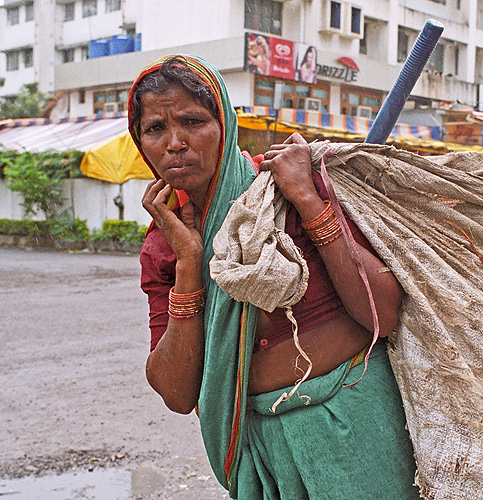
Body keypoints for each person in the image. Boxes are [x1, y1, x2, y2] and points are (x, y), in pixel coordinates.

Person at [131, 55, 419, 499]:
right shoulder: (164, 244)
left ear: (224, 124)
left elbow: (384, 314)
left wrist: (306, 198)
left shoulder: (285, 186)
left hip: (358, 425)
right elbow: (176, 392)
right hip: (262, 450)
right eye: (155, 129)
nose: (176, 143)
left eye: (192, 121)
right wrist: (190, 265)